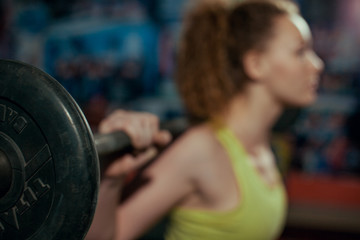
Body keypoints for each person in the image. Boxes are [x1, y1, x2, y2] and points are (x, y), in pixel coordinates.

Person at [86, 0, 324, 239]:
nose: (317, 64)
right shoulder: (202, 150)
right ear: (256, 64)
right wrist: (111, 179)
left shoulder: (265, 148)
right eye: (300, 52)